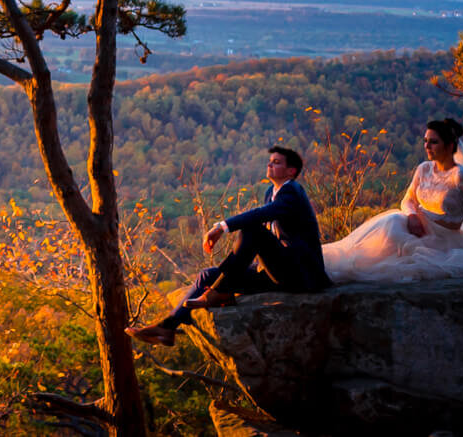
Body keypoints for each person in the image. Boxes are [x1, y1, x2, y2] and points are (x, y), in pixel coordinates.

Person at [129, 144, 328, 344]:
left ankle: (220, 291)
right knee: (207, 275)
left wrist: (222, 227)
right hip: (276, 271)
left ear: (291, 171)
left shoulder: (293, 191)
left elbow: (262, 215)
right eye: (270, 161)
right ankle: (168, 327)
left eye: (276, 162)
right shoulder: (271, 191)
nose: (270, 164)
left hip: (300, 275)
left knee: (253, 230)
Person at [320, 117, 463, 283]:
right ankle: (332, 264)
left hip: (442, 239)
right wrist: (412, 216)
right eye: (426, 141)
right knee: (390, 223)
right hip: (416, 227)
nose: (426, 146)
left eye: (433, 142)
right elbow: (407, 200)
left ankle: (345, 270)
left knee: (389, 245)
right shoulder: (423, 169)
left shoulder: (461, 178)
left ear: (450, 146)